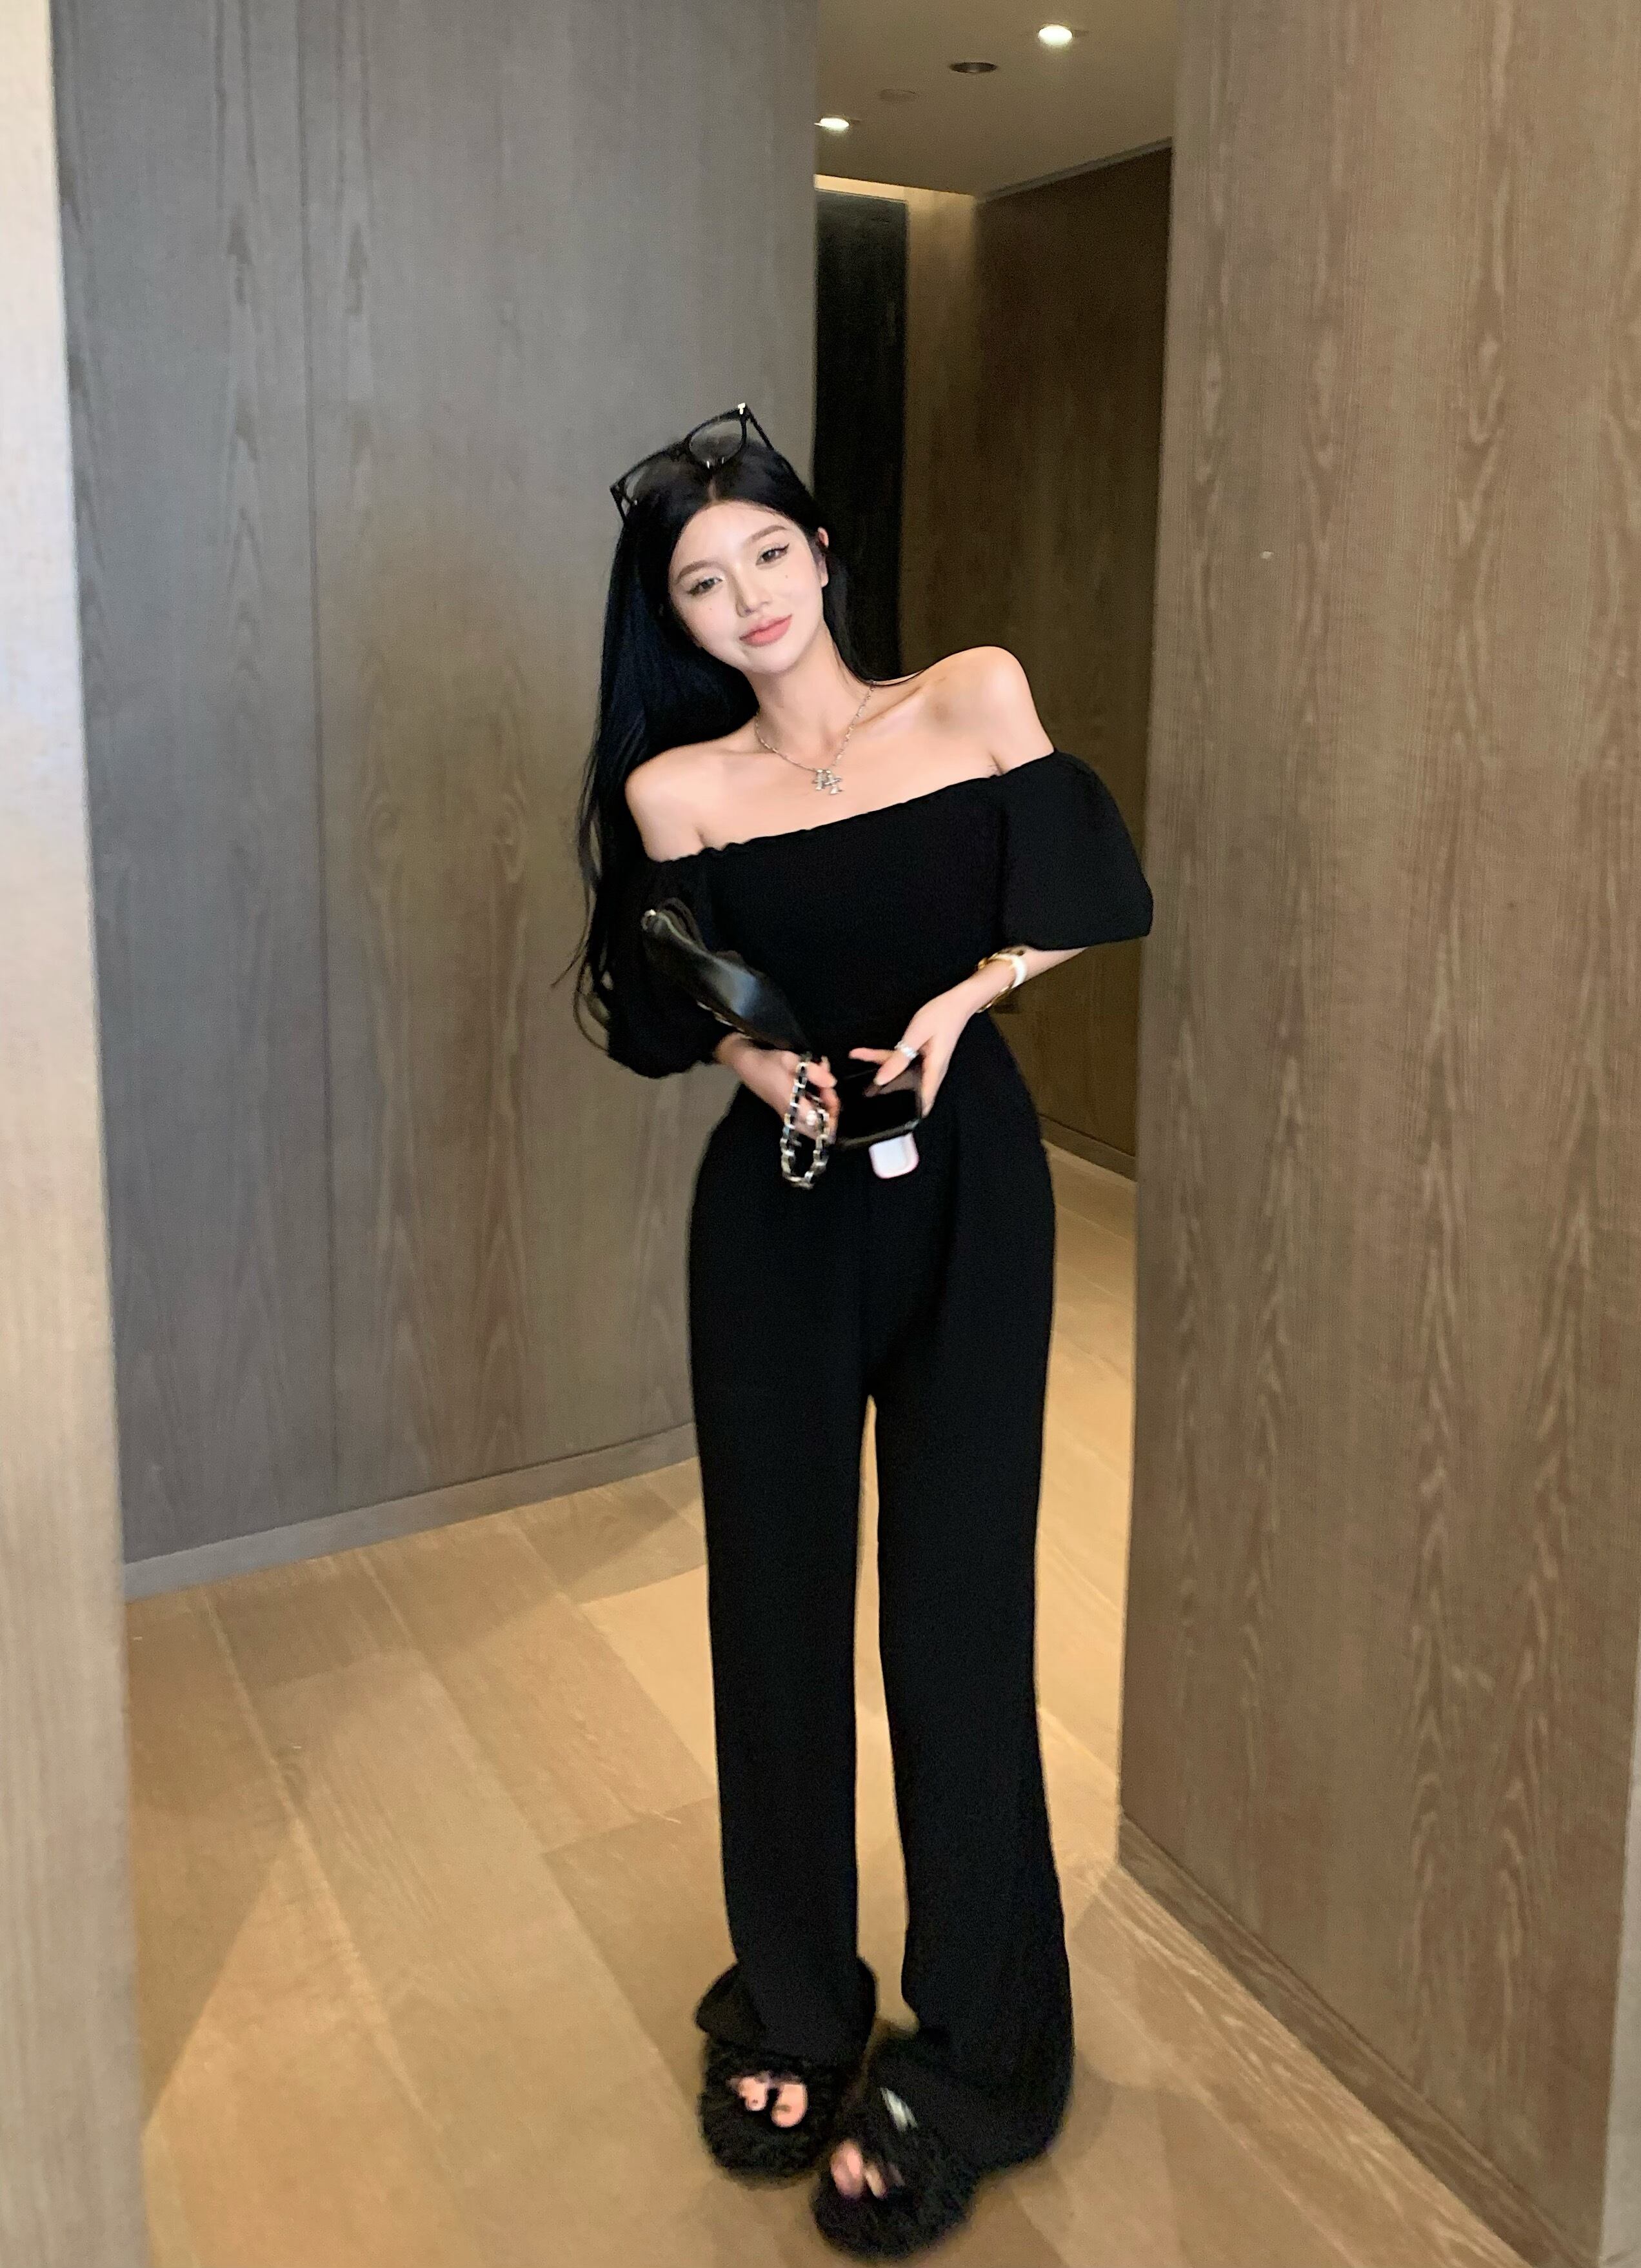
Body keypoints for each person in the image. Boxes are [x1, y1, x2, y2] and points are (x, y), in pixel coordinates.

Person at [569, 405, 1154, 2258]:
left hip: (970, 1190)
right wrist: (762, 1068)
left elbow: (1080, 893)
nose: (747, 596)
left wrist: (971, 1002)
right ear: (673, 616)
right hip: (780, 1211)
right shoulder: (678, 793)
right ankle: (801, 2002)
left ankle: (984, 2044)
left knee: (960, 1607)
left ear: (820, 552)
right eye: (701, 582)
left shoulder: (970, 696)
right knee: (774, 1607)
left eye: (767, 552)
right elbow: (677, 1009)